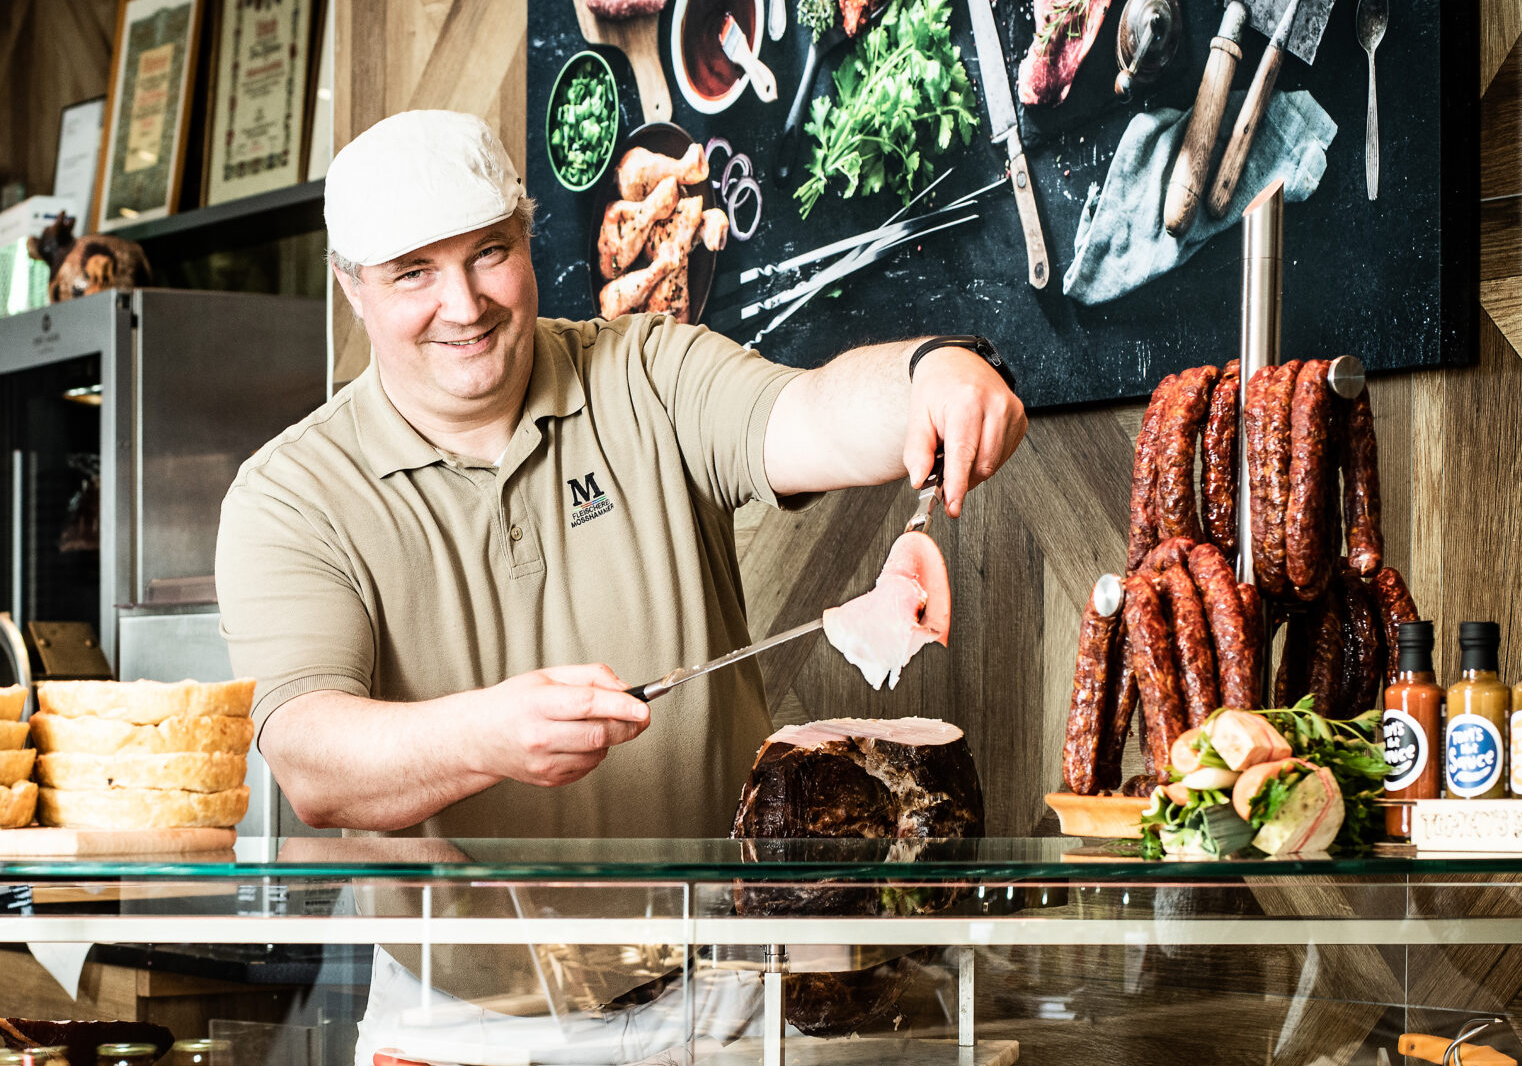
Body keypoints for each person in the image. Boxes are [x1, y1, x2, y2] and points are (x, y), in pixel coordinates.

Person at [216, 111, 1026, 838]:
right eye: (414, 273)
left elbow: (812, 414)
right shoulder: (290, 495)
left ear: (528, 244)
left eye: (489, 253)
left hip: (720, 971)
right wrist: (483, 737)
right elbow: (308, 761)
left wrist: (933, 373)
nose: (464, 305)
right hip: (466, 999)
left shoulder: (645, 369)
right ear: (353, 289)